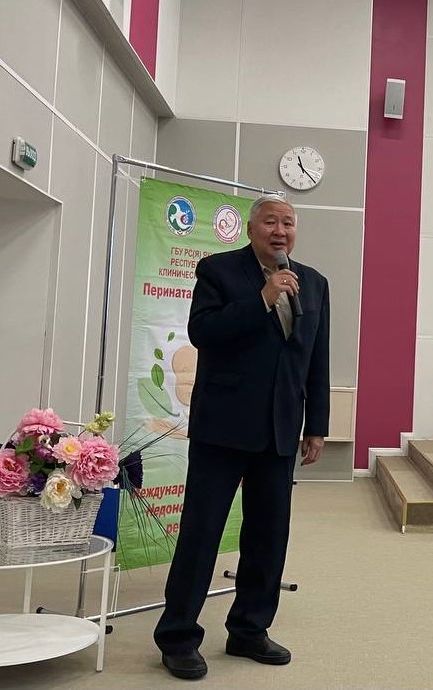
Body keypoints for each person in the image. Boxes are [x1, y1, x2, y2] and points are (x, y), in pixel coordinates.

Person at [154, 194, 330, 680]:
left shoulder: (315, 282)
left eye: (288, 223)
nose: (280, 231)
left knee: (268, 537)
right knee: (202, 533)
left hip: (280, 429)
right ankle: (178, 637)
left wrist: (317, 423)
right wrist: (262, 299)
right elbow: (203, 332)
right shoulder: (219, 271)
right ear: (251, 229)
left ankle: (249, 629)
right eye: (271, 222)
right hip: (223, 428)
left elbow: (316, 357)